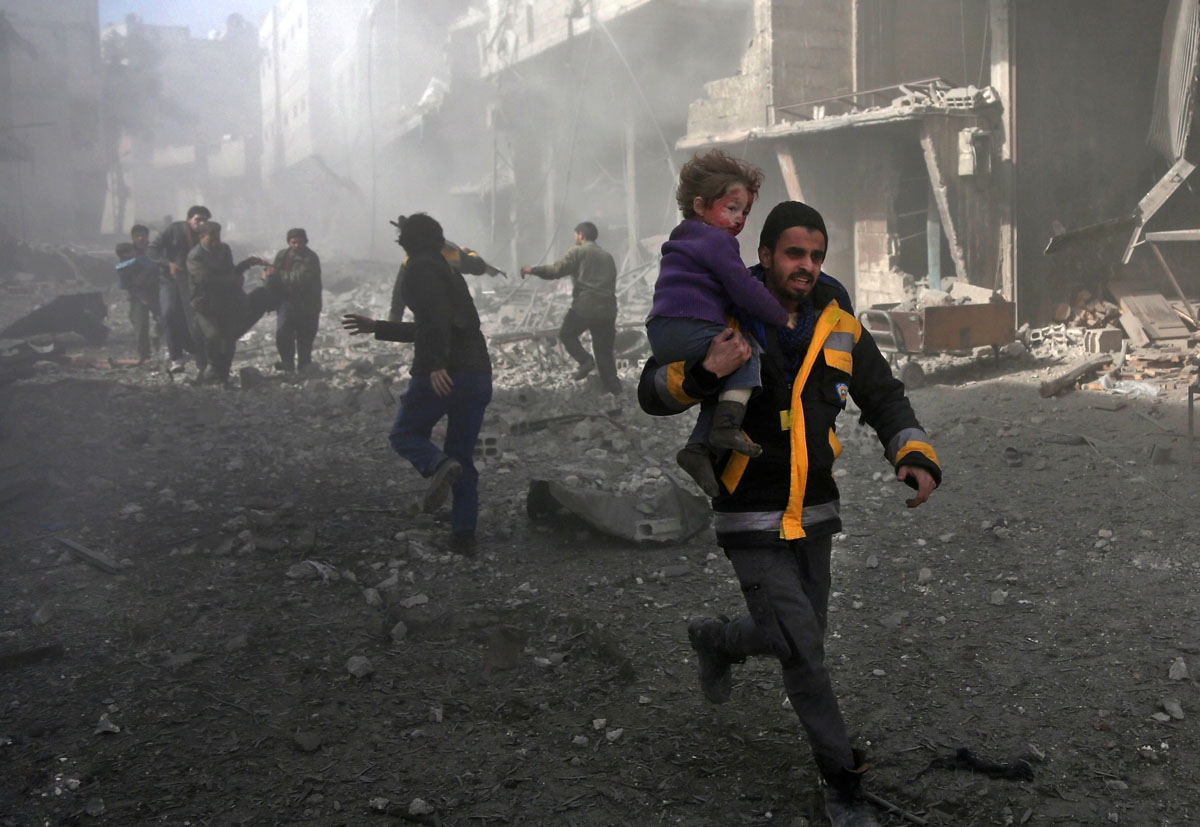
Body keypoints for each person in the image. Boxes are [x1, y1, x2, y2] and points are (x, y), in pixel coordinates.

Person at [637, 201, 941, 827]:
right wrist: (702, 372)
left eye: (817, 256)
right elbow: (652, 390)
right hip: (748, 509)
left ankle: (717, 639)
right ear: (767, 255)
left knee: (792, 634)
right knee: (803, 648)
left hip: (816, 508)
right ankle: (842, 778)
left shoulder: (839, 321)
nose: (807, 266)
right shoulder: (723, 309)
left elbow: (880, 392)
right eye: (794, 253)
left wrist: (911, 451)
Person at [341, 213, 492, 556]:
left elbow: (434, 322)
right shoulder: (449, 272)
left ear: (406, 243)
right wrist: (377, 327)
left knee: (405, 435)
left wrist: (437, 363)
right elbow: (439, 325)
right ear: (439, 240)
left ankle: (438, 466)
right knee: (462, 457)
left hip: (446, 373)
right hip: (478, 374)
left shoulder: (419, 268)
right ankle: (464, 534)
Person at [646, 150, 790, 495]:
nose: (740, 219)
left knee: (725, 379)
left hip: (664, 328)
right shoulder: (717, 241)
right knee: (743, 350)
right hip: (689, 323)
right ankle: (725, 428)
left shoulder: (686, 238)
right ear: (700, 205)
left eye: (745, 212)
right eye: (731, 208)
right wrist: (780, 316)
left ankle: (698, 449)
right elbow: (742, 290)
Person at [520, 221, 621, 395]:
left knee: (567, 334)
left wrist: (533, 270)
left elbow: (556, 271)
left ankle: (585, 360)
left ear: (581, 235)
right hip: (608, 309)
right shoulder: (607, 256)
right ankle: (615, 390)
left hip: (585, 306)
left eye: (575, 235)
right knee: (604, 352)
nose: (574, 238)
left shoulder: (578, 252)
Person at [184, 221, 271, 385]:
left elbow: (230, 270)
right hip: (204, 304)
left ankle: (222, 377)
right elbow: (204, 279)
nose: (216, 241)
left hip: (225, 302)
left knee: (228, 340)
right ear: (201, 237)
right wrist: (232, 279)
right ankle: (210, 371)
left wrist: (246, 265)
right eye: (212, 237)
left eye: (218, 236)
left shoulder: (224, 250)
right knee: (212, 336)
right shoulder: (195, 256)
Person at [151, 205, 209, 374]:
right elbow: (152, 249)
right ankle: (176, 358)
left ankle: (199, 356)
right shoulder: (174, 230)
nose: (201, 223)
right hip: (169, 280)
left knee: (194, 318)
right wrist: (167, 264)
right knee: (169, 314)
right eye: (198, 219)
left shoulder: (206, 235)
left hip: (192, 282)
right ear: (189, 219)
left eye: (205, 220)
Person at [265, 227, 322, 373]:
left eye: (300, 242)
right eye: (293, 242)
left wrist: (277, 273)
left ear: (305, 241)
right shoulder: (282, 255)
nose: (297, 245)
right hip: (286, 302)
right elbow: (273, 275)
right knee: (283, 333)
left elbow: (300, 278)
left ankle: (304, 366)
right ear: (289, 242)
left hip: (307, 304)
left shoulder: (310, 258)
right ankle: (288, 364)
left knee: (305, 337)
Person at [116, 224, 161, 362]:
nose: (141, 239)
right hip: (137, 294)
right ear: (133, 238)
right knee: (140, 325)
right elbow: (125, 276)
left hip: (156, 291)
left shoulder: (154, 250)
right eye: (137, 236)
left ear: (148, 237)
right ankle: (145, 355)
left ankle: (157, 336)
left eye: (143, 236)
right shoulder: (127, 252)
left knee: (165, 319)